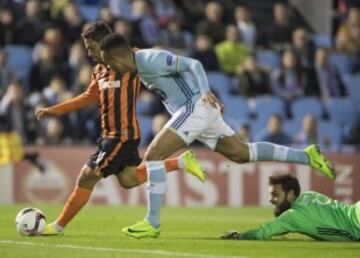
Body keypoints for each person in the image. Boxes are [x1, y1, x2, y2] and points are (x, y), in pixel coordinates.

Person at [100, 32, 336, 239]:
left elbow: (194, 64)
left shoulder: (150, 59)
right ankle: (307, 156)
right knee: (242, 153)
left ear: (116, 58)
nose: (110, 68)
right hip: (201, 112)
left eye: (109, 63)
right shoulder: (134, 67)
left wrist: (205, 92)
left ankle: (152, 223)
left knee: (153, 155)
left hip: (196, 106)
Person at [35, 21, 204, 236]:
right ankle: (181, 162)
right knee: (129, 180)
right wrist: (55, 110)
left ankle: (57, 227)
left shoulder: (129, 58)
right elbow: (88, 96)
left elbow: (158, 61)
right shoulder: (98, 70)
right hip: (113, 135)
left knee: (86, 177)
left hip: (121, 136)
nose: (88, 52)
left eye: (90, 47)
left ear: (102, 43)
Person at [221, 173, 360, 241]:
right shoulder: (309, 195)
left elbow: (262, 232)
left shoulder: (292, 216)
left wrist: (239, 236)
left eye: (275, 194)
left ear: (291, 194)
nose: (271, 200)